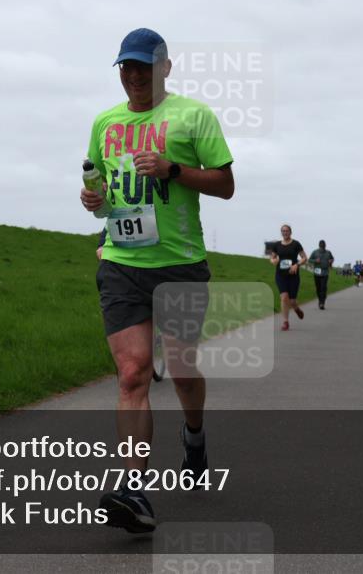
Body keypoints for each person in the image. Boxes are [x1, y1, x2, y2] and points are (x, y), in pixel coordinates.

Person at [80, 28, 234, 533]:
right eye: (126, 67)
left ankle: (194, 436)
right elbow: (101, 186)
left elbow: (226, 185)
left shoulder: (193, 116)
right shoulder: (105, 122)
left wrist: (172, 169)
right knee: (133, 374)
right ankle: (135, 491)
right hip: (122, 262)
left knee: (184, 370)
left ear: (166, 67)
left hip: (181, 264)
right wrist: (95, 203)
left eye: (144, 66)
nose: (135, 76)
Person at [270, 224, 307, 330]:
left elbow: (304, 258)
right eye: (283, 231)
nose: (285, 232)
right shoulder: (277, 245)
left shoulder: (296, 244)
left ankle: (296, 309)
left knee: (292, 301)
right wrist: (274, 261)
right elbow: (272, 258)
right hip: (280, 275)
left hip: (293, 276)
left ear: (290, 232)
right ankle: (285, 322)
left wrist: (297, 264)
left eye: (287, 231)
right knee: (284, 297)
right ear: (281, 232)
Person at [308, 240, 335, 310]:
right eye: (321, 246)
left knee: (323, 288)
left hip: (325, 272)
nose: (322, 247)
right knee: (318, 288)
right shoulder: (315, 252)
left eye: (323, 246)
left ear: (325, 246)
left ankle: (322, 303)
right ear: (319, 245)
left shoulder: (328, 252)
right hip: (317, 272)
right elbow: (309, 260)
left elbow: (332, 258)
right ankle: (320, 300)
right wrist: (315, 261)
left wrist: (331, 261)